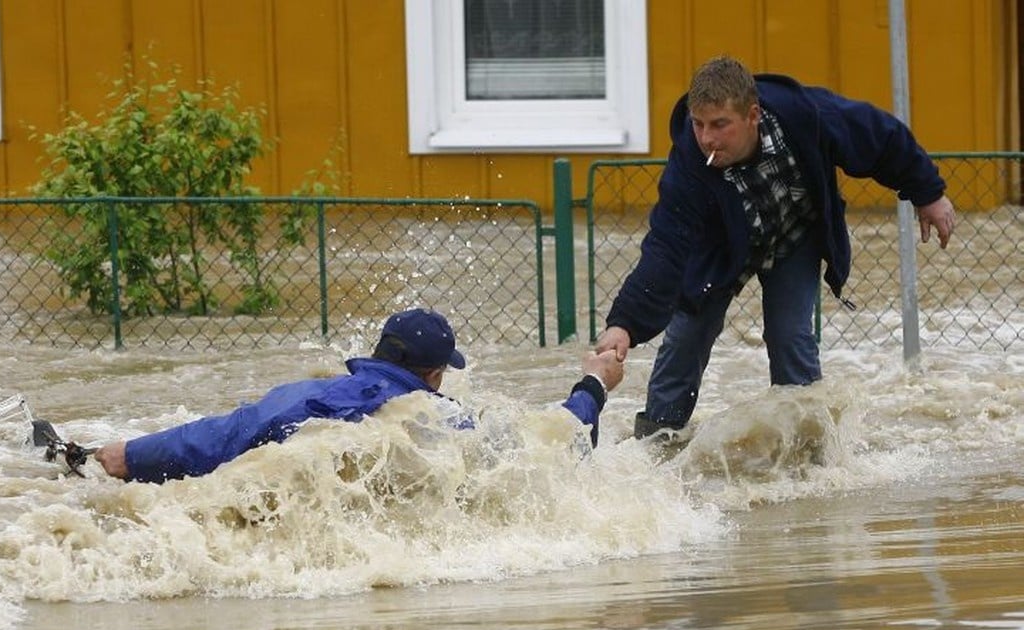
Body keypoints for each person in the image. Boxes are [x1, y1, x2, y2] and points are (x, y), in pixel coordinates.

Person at [595, 56, 956, 439]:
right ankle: (658, 439)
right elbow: (665, 248)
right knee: (689, 332)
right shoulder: (690, 163)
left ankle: (809, 447)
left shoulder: (805, 115)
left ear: (752, 115)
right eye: (698, 124)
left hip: (792, 237)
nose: (707, 139)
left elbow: (880, 137)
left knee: (789, 333)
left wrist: (928, 193)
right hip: (721, 251)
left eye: (720, 125)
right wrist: (624, 324)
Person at [95, 307, 624, 482]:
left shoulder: (312, 393)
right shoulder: (439, 419)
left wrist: (130, 455)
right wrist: (595, 383)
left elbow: (226, 433)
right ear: (436, 374)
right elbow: (555, 444)